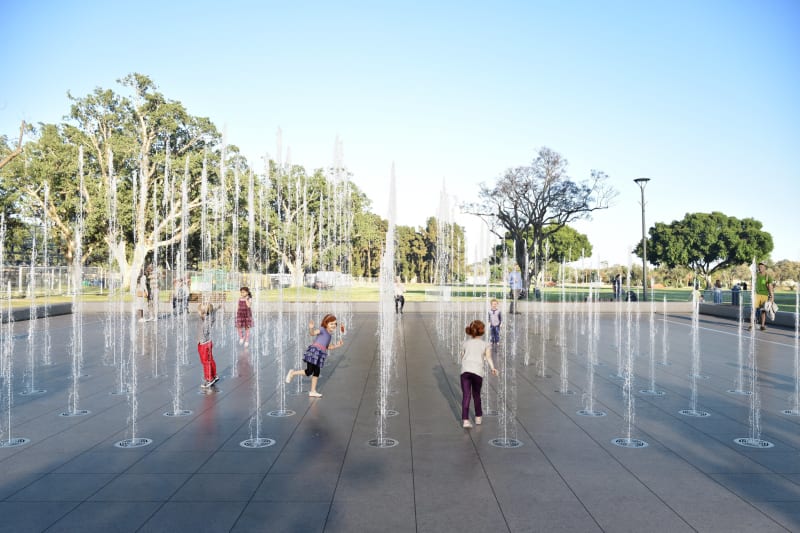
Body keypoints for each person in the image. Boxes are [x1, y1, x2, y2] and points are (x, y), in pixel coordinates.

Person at [285, 314, 344, 398]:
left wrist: (337, 345)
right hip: (314, 352)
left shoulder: (329, 335)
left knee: (316, 372)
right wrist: (311, 328)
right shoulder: (322, 330)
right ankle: (293, 373)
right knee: (309, 371)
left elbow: (327, 347)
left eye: (335, 324)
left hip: (320, 354)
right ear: (326, 323)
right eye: (331, 323)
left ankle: (313, 391)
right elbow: (312, 333)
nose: (334, 325)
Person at [459, 319, 498, 428]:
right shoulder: (485, 344)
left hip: (465, 371)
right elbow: (489, 357)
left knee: (466, 396)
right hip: (477, 372)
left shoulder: (464, 343)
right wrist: (493, 368)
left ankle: (465, 420)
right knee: (476, 395)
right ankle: (478, 418)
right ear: (482, 331)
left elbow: (462, 356)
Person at [197, 302, 219, 388]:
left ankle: (209, 379)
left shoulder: (205, 320)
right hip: (208, 342)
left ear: (202, 312)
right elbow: (212, 313)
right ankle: (214, 375)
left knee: (205, 362)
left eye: (199, 310)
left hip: (203, 344)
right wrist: (215, 309)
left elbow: (204, 330)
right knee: (210, 360)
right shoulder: (209, 317)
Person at [754, 262, 775, 331]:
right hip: (756, 295)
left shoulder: (767, 276)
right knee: (753, 310)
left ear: (765, 268)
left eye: (761, 267)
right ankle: (751, 325)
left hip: (764, 295)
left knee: (763, 311)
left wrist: (772, 297)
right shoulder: (756, 275)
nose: (760, 268)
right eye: (759, 267)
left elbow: (770, 287)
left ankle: (762, 326)